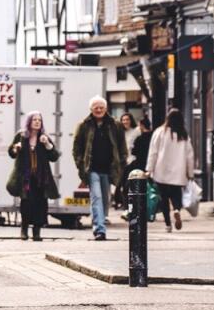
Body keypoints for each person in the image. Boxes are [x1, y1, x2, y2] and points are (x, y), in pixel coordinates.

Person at [72, 96, 127, 240]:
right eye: (96, 107)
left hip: (108, 169)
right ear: (91, 109)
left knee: (105, 199)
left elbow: (122, 147)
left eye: (101, 107)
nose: (99, 109)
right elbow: (76, 148)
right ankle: (99, 229)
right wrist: (81, 165)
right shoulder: (83, 125)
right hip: (91, 169)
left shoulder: (115, 125)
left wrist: (121, 164)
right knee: (96, 197)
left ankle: (99, 221)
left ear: (106, 108)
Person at [8, 111, 60, 241]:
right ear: (29, 122)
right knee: (26, 204)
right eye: (34, 119)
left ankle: (37, 232)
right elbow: (11, 152)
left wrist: (47, 145)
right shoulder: (21, 136)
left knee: (41, 204)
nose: (37, 122)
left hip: (41, 178)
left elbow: (54, 156)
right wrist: (16, 148)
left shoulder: (44, 137)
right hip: (25, 178)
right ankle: (24, 229)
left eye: (39, 120)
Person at [145, 109, 195, 232]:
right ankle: (177, 210)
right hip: (178, 173)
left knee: (164, 198)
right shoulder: (183, 135)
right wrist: (190, 173)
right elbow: (190, 155)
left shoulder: (159, 132)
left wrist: (149, 169)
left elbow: (153, 152)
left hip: (161, 171)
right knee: (176, 195)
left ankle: (168, 224)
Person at [113, 113, 140, 208]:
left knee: (127, 185)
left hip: (132, 161)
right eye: (123, 120)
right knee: (118, 184)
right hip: (121, 162)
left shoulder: (136, 132)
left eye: (127, 119)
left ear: (131, 120)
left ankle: (126, 206)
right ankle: (120, 203)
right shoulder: (119, 133)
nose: (125, 121)